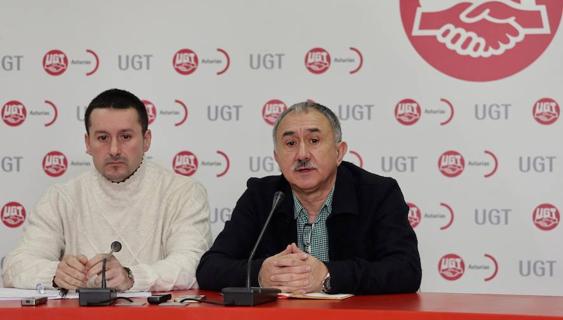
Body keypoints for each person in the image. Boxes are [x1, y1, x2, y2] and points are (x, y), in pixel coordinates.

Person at [196, 101, 421, 294]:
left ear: (339, 151)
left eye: (314, 140)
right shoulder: (263, 197)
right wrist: (260, 274)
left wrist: (328, 276)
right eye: (290, 144)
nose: (302, 155)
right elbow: (209, 268)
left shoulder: (377, 193)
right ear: (277, 157)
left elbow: (406, 269)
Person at [2, 88, 212, 292]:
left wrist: (130, 277)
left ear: (146, 140)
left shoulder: (184, 193)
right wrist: (55, 274)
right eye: (103, 138)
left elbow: (193, 264)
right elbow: (14, 267)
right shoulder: (60, 198)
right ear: (87, 142)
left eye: (125, 137)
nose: (114, 150)